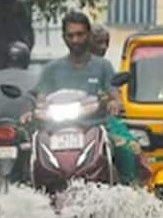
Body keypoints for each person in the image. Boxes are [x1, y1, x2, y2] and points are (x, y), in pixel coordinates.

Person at [34, 11, 147, 184]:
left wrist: (114, 102)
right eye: (70, 35)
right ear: (64, 37)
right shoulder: (51, 69)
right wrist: (33, 110)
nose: (75, 40)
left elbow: (113, 93)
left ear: (88, 35)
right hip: (56, 128)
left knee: (127, 149)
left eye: (80, 34)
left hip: (96, 125)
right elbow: (41, 98)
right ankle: (28, 191)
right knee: (30, 148)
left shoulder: (102, 66)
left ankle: (129, 192)